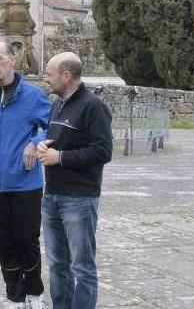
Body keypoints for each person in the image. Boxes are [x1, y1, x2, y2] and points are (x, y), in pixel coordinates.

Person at [0, 42, 51, 309]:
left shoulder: (33, 95)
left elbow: (50, 126)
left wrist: (35, 141)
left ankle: (35, 292)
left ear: (13, 61)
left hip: (25, 181)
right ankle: (15, 295)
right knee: (3, 240)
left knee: (26, 239)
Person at [37, 52, 113, 309]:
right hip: (52, 195)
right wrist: (45, 147)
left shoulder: (93, 106)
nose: (48, 79)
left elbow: (103, 151)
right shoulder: (57, 104)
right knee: (57, 263)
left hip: (79, 198)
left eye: (50, 74)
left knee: (82, 266)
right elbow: (60, 142)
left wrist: (61, 157)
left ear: (66, 75)